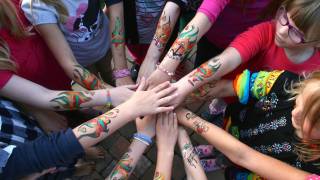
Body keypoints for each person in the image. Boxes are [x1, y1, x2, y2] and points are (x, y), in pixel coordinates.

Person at [0, 78, 177, 179]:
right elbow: (53, 150)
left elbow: (50, 149)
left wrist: (111, 96)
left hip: (31, 132)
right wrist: (142, 133)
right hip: (42, 158)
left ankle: (74, 168)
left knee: (66, 161)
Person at [165, 0, 320, 108]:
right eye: (284, 17)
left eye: (296, 33)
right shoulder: (267, 31)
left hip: (258, 115)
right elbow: (227, 59)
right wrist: (179, 89)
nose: (281, 30)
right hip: (232, 89)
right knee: (224, 109)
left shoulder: (315, 73)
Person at [175, 68, 320, 178]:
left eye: (306, 118)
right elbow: (229, 87)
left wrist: (184, 116)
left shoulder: (312, 168)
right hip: (239, 126)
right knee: (222, 141)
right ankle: (213, 149)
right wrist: (182, 96)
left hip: (248, 163)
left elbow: (243, 157)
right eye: (298, 101)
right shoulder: (286, 82)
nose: (294, 113)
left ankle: (220, 162)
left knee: (229, 160)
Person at [21, 0, 134, 87]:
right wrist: (109, 96)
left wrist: (121, 71)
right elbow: (69, 63)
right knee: (94, 78)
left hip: (105, 44)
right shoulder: (36, 5)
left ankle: (111, 80)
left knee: (108, 70)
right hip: (81, 60)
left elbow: (115, 11)